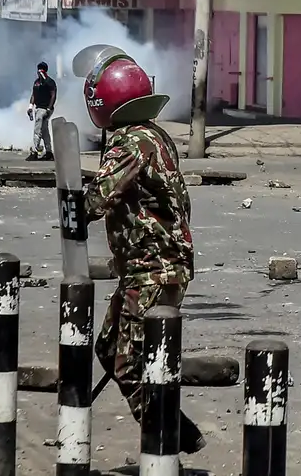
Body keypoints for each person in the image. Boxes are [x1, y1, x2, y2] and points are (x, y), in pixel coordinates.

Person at [81, 53, 205, 453]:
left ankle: (165, 447)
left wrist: (72, 202)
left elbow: (96, 200)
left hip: (153, 269)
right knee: (107, 347)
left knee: (130, 364)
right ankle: (179, 434)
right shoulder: (152, 134)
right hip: (148, 267)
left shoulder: (129, 142)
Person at [26, 61, 56, 161]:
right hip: (38, 108)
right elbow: (33, 95)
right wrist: (30, 107)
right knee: (44, 130)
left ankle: (35, 150)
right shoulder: (36, 82)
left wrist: (49, 108)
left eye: (41, 69)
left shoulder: (49, 82)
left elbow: (53, 95)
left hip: (45, 108)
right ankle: (49, 152)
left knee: (37, 129)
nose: (39, 71)